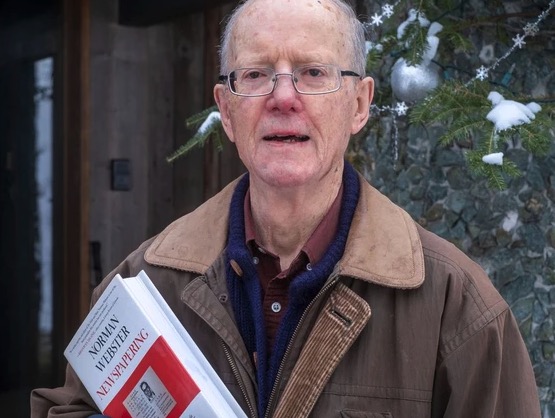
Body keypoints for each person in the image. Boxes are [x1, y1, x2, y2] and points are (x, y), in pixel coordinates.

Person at [31, 0, 541, 417]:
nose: (281, 96)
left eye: (312, 72)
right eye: (254, 74)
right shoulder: (147, 281)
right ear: (227, 110)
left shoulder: (457, 306)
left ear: (359, 104)